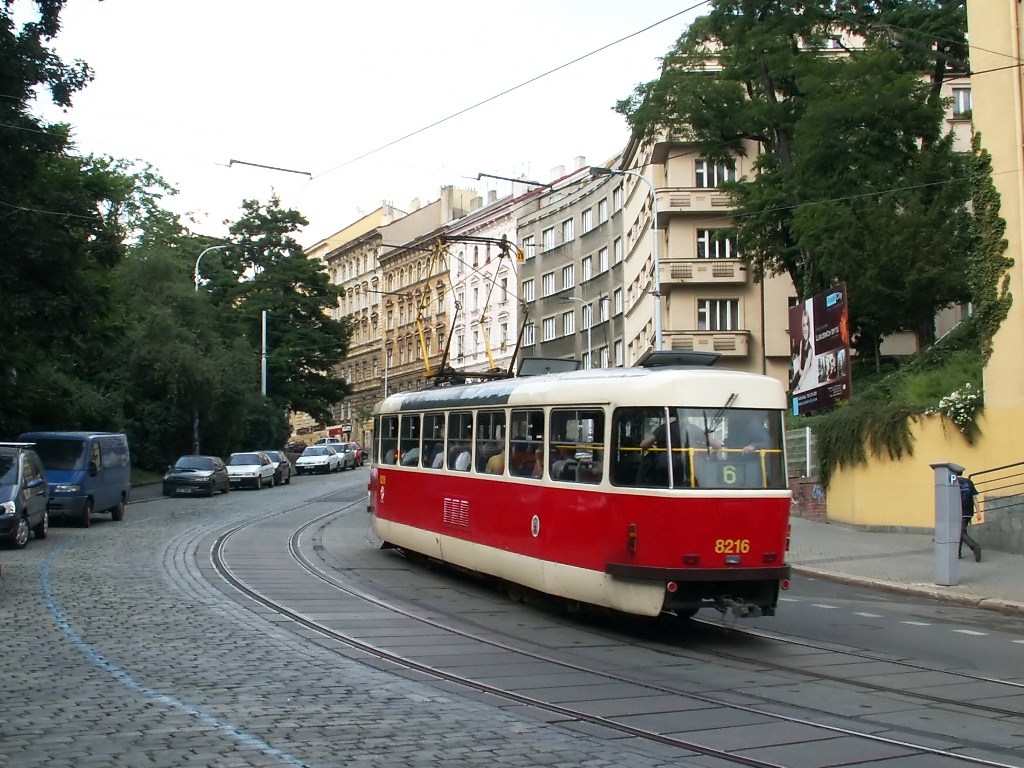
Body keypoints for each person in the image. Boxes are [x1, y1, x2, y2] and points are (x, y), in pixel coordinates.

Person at [956, 469, 982, 562]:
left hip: (958, 511)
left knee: (960, 531)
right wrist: (978, 512)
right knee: (961, 531)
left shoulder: (953, 482)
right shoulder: (969, 482)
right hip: (969, 512)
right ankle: (957, 553)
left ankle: (975, 547)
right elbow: (974, 498)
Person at [791, 307, 815, 393]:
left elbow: (805, 371)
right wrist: (798, 372)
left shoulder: (810, 350)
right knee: (792, 387)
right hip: (800, 371)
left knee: (796, 388)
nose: (805, 329)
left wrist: (799, 386)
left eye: (807, 324)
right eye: (803, 325)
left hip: (805, 374)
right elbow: (801, 360)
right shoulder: (801, 343)